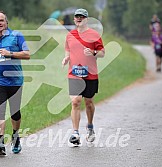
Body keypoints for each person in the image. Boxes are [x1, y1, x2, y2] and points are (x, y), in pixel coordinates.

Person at [0, 10, 30, 155]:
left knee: (15, 112)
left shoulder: (17, 36)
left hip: (15, 80)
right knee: (0, 111)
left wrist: (10, 54)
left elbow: (27, 54)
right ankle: (0, 141)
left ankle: (15, 137)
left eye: (2, 20)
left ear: (6, 22)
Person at [62, 8, 105, 146]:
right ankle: (75, 132)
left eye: (82, 16)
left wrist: (93, 52)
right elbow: (67, 48)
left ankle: (90, 126)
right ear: (74, 19)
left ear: (87, 19)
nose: (79, 19)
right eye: (77, 17)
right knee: (75, 101)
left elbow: (102, 53)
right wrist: (66, 58)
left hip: (90, 74)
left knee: (89, 103)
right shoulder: (70, 35)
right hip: (74, 73)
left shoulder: (94, 35)